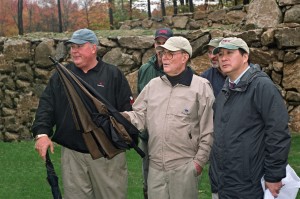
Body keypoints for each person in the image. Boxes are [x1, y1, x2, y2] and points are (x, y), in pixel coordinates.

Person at [31, 28, 133, 199]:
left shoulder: (113, 75)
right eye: (72, 47)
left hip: (107, 156)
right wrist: (42, 134)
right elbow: (46, 107)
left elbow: (127, 114)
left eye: (79, 46)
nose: (74, 51)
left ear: (93, 48)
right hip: (73, 156)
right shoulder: (61, 76)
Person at [123, 36, 215, 199]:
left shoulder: (201, 87)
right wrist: (120, 117)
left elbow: (209, 130)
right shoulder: (153, 85)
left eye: (170, 53)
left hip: (184, 168)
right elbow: (139, 116)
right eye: (163, 53)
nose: (164, 57)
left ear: (185, 57)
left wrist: (198, 163)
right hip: (156, 168)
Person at [209, 37, 291, 199]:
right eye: (220, 54)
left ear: (245, 57)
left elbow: (278, 133)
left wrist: (274, 175)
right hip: (225, 181)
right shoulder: (226, 90)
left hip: (249, 182)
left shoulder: (262, 86)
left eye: (230, 53)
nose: (223, 58)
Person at [137, 27, 173, 199]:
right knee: (147, 178)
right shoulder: (144, 70)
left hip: (171, 136)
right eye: (158, 43)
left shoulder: (179, 70)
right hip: (147, 135)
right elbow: (139, 102)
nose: (161, 48)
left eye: (165, 44)